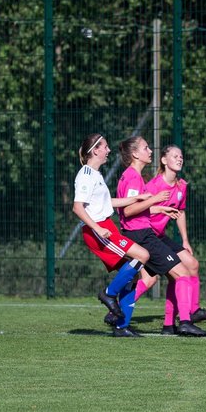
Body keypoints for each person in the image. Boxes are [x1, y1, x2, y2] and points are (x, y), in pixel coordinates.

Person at [115, 136, 206, 337]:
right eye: (146, 148)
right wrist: (156, 201)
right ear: (135, 154)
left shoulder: (177, 184)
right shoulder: (136, 178)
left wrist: (161, 210)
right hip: (143, 234)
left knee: (180, 270)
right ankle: (184, 321)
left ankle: (123, 318)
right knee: (180, 274)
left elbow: (134, 208)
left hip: (145, 233)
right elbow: (129, 210)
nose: (150, 151)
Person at [72, 132, 162, 337]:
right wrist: (97, 228)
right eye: (104, 146)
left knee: (131, 277)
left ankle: (122, 326)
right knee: (143, 256)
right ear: (95, 150)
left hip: (105, 227)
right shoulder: (85, 174)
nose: (108, 150)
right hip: (99, 231)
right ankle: (108, 294)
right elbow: (77, 208)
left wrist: (137, 198)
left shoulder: (95, 174)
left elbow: (107, 203)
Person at [135, 144, 206, 333]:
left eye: (181, 156)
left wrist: (185, 240)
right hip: (147, 236)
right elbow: (136, 210)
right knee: (156, 278)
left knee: (192, 264)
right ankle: (120, 309)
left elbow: (180, 212)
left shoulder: (181, 186)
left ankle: (192, 311)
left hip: (160, 236)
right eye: (175, 156)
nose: (179, 159)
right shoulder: (153, 186)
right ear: (164, 160)